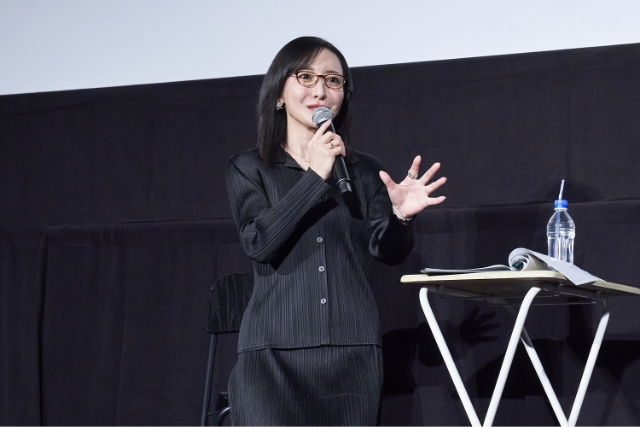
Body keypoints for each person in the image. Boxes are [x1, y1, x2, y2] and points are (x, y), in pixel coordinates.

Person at [225, 36, 446, 425]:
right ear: (278, 93)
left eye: (333, 80)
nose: (320, 90)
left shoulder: (362, 169)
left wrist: (401, 217)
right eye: (305, 77)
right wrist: (315, 176)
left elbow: (388, 252)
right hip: (272, 355)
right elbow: (259, 243)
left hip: (351, 353)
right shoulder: (250, 168)